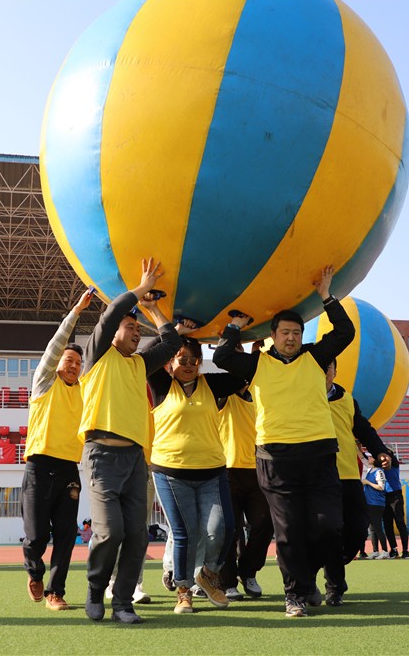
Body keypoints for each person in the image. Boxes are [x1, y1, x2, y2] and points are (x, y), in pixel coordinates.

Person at [214, 266, 379, 618]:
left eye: (296, 332)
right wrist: (235, 326)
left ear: (302, 336)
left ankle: (307, 579)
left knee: (328, 527)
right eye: (285, 332)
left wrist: (326, 296)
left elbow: (345, 331)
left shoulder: (315, 357)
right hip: (275, 458)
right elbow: (223, 357)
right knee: (288, 531)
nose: (290, 338)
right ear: (273, 335)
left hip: (319, 456)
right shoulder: (258, 364)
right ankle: (295, 596)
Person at [79, 257, 180, 625]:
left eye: (138, 329)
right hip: (102, 456)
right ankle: (96, 590)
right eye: (130, 326)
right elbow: (110, 315)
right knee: (110, 532)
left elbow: (171, 342)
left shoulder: (139, 364)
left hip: (136, 460)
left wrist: (152, 310)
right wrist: (140, 289)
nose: (136, 332)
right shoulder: (98, 355)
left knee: (137, 535)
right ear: (113, 333)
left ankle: (123, 603)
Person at [146, 330, 244, 614]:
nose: (188, 364)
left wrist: (232, 336)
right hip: (171, 472)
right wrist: (173, 333)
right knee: (185, 533)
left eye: (194, 360)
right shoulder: (161, 384)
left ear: (201, 363)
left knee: (223, 528)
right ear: (170, 363)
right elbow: (147, 356)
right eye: (182, 359)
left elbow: (242, 374)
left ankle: (209, 575)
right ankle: (183, 590)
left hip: (212, 471)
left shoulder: (210, 384)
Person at [21, 288, 93, 611]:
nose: (74, 365)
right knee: (36, 536)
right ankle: (34, 571)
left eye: (78, 362)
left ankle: (55, 592)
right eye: (69, 360)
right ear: (57, 364)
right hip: (38, 467)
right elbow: (55, 345)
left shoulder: (83, 392)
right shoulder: (44, 383)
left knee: (66, 535)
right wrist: (76, 311)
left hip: (68, 470)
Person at [319, 359, 391, 605]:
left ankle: (332, 564)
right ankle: (334, 587)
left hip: (349, 476)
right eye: (319, 367)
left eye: (328, 367)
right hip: (318, 478)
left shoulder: (347, 399)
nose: (324, 372)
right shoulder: (303, 396)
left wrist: (380, 451)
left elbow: (364, 430)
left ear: (335, 371)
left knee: (358, 531)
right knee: (328, 531)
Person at [216, 360, 274, 601]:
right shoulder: (223, 397)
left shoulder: (262, 398)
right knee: (230, 528)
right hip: (227, 470)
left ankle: (248, 571)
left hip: (258, 470)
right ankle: (228, 582)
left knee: (265, 523)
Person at [382, 451, 409, 558]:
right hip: (384, 497)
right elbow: (367, 460)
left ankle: (405, 550)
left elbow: (390, 457)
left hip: (395, 496)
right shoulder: (380, 466)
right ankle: (393, 549)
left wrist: (384, 452)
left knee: (400, 523)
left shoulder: (394, 463)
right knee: (387, 524)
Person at [362, 457, 389, 559]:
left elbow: (381, 487)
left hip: (376, 503)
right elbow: (362, 457)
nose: (368, 457)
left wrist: (368, 483)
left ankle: (385, 551)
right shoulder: (370, 469)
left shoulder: (379, 472)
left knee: (378, 528)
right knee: (372, 529)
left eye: (371, 457)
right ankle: (375, 551)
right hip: (369, 503)